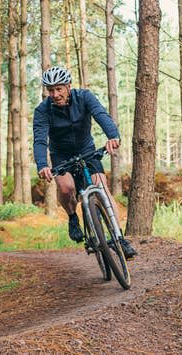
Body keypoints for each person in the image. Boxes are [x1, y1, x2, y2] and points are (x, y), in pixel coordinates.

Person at [33, 66, 137, 260]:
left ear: (68, 86)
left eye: (59, 89)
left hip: (86, 150)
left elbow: (101, 115)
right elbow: (40, 139)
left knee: (102, 188)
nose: (55, 94)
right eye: (51, 90)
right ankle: (73, 217)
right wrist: (42, 165)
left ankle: (119, 237)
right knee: (66, 188)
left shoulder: (85, 97)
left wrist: (113, 136)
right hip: (61, 155)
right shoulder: (42, 110)